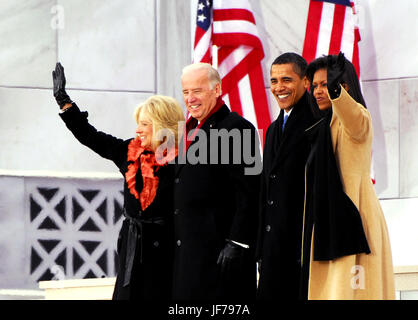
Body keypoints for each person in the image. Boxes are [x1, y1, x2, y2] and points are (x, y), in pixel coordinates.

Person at [52, 62, 185, 300]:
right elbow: (91, 136)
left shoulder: (183, 162)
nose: (138, 130)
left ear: (163, 126)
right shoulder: (129, 152)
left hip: (165, 252)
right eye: (139, 123)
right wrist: (65, 103)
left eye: (145, 124)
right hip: (132, 247)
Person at [301, 52, 395, 299]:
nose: (319, 91)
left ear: (343, 87)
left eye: (326, 84)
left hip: (354, 223)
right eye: (316, 86)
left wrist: (337, 94)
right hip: (327, 225)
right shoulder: (322, 126)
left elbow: (353, 117)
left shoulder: (357, 119)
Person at [171, 62, 261, 300]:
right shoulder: (187, 130)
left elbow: (249, 192)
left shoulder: (237, 128)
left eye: (197, 91)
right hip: (187, 253)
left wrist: (238, 243)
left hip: (220, 256)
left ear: (217, 89)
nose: (190, 99)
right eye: (186, 92)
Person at [256, 52, 316, 300]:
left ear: (305, 82)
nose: (279, 87)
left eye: (287, 80)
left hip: (302, 250)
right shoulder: (271, 129)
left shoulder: (318, 123)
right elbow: (265, 189)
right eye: (274, 81)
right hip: (272, 250)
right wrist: (260, 248)